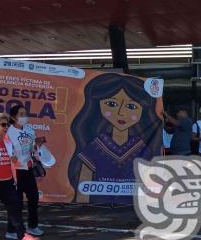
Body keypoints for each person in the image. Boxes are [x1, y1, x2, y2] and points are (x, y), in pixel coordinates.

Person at [68, 73, 162, 203]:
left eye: (131, 106)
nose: (121, 113)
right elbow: (84, 183)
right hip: (98, 208)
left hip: (130, 209)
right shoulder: (96, 146)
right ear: (97, 104)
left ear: (143, 110)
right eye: (111, 104)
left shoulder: (142, 149)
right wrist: (83, 207)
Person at [5, 105, 44, 239]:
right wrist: (11, 156)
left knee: (33, 198)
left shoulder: (29, 130)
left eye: (25, 114)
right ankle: (12, 230)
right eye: (21, 114)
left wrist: (37, 144)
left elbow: (32, 148)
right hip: (15, 171)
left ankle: (32, 226)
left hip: (28, 169)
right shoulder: (8, 132)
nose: (24, 117)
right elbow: (5, 149)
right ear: (13, 117)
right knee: (16, 202)